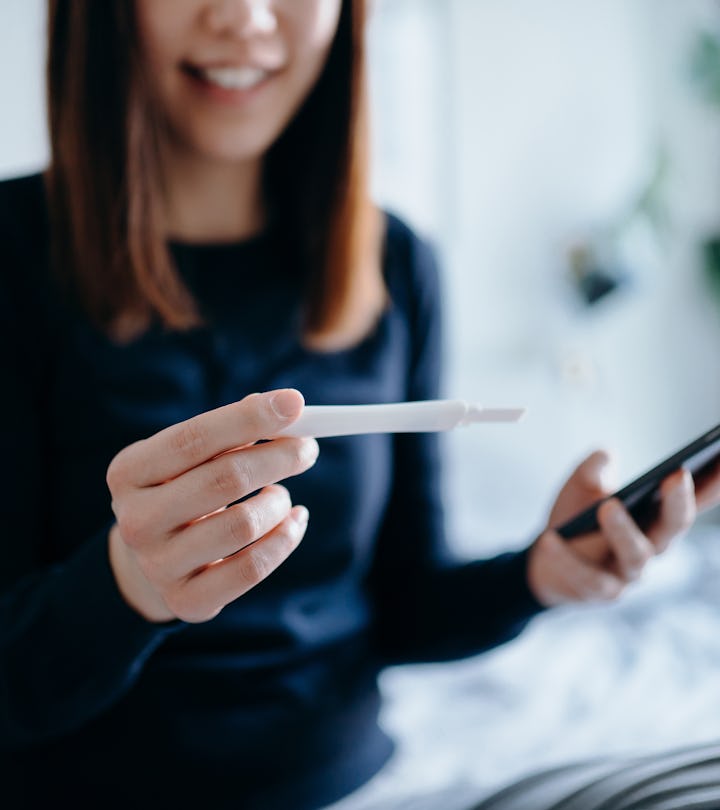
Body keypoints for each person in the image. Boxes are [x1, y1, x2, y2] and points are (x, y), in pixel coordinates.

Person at [1, 1, 719, 808]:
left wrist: (540, 573)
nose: (244, 18)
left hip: (351, 784)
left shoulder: (396, 265)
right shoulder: (14, 253)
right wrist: (126, 582)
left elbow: (403, 605)